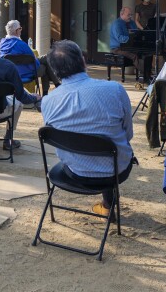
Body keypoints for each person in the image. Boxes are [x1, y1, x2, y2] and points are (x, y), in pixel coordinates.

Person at [40, 40, 134, 217]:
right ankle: (108, 205)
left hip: (75, 172)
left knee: (90, 144)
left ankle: (107, 205)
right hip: (115, 170)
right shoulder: (114, 89)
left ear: (54, 70)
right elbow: (127, 134)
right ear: (83, 61)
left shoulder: (48, 102)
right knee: (108, 145)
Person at [109, 6, 143, 78]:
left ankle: (147, 73)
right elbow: (119, 38)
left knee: (145, 53)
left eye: (131, 15)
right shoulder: (117, 24)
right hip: (117, 48)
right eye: (128, 15)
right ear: (122, 14)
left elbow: (136, 33)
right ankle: (143, 75)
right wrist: (131, 39)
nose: (130, 16)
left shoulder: (132, 23)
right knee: (134, 55)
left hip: (129, 47)